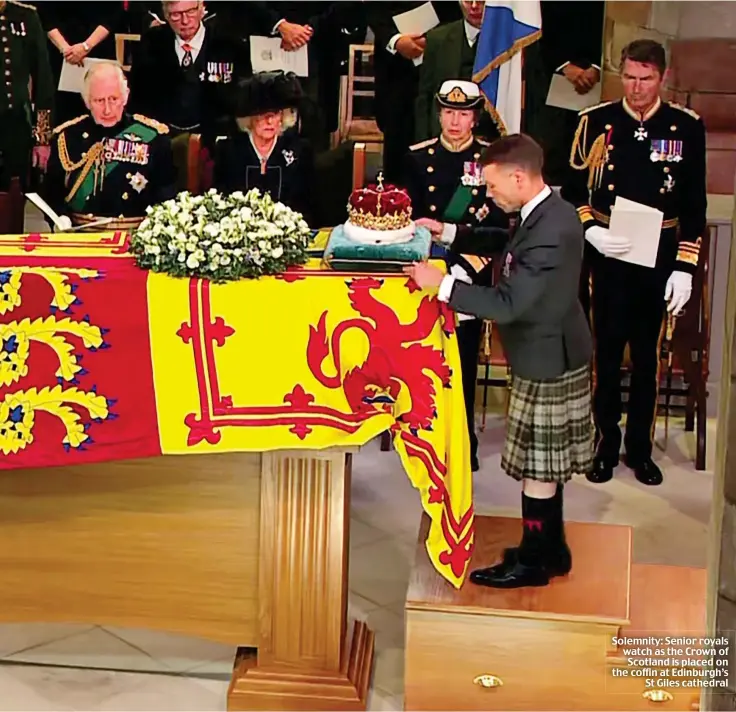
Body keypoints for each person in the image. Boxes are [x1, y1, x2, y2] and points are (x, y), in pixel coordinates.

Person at [405, 134, 593, 589]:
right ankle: (552, 549)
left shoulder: (550, 230)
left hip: (548, 357)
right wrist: (448, 232)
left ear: (518, 177)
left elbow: (509, 303)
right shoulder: (548, 212)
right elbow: (505, 243)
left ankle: (533, 560)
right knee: (544, 466)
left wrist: (443, 286)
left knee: (538, 468)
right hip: (549, 348)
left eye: (492, 187)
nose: (488, 195)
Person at [562, 39, 707, 486]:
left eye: (645, 79)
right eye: (629, 77)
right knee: (606, 354)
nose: (636, 87)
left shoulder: (685, 127)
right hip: (609, 253)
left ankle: (639, 450)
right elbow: (571, 188)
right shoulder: (595, 122)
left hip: (659, 255)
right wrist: (591, 230)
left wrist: (684, 267)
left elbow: (694, 203)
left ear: (662, 78)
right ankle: (604, 444)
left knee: (647, 358)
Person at [403, 79, 508, 472]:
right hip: (423, 267)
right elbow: (406, 221)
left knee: (460, 362)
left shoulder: (490, 161)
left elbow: (499, 231)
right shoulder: (417, 157)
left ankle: (463, 439)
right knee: (420, 357)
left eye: (463, 114)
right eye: (448, 112)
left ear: (475, 117)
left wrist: (463, 269)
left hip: (469, 272)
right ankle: (420, 433)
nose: (454, 121)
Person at [127, 0, 251, 187]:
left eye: (191, 11)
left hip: (216, 143)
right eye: (176, 15)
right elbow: (137, 99)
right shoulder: (152, 42)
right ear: (166, 15)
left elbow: (243, 100)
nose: (185, 20)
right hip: (163, 142)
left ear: (202, 8)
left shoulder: (229, 43)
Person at [44, 61, 176, 232]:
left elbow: (166, 195)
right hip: (81, 236)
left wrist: (154, 226)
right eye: (99, 101)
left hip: (134, 237)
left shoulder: (153, 138)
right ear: (87, 101)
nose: (107, 110)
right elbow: (52, 191)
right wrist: (60, 217)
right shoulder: (68, 137)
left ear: (126, 96)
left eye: (113, 99)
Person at [367, 1, 462, 183]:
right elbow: (372, 8)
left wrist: (436, 38)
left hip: (443, 60)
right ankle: (396, 205)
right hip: (396, 72)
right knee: (398, 148)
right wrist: (396, 40)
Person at [213, 72, 315, 225]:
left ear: (282, 117)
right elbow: (221, 205)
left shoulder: (299, 152)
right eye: (262, 114)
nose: (269, 121)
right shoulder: (229, 151)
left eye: (274, 114)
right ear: (250, 119)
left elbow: (306, 208)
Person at [414, 0, 497, 143]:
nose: (474, 7)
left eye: (482, 2)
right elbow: (425, 97)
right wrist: (424, 143)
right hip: (443, 141)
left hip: (494, 142)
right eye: (468, 1)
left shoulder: (511, 44)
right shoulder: (437, 39)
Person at [0, 0, 54, 189]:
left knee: (13, 201)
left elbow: (43, 80)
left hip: (15, 127)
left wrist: (42, 139)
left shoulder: (26, 16)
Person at [38, 2, 120, 126]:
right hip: (60, 54)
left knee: (100, 101)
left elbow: (112, 16)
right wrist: (66, 49)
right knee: (62, 109)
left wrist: (86, 46)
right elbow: (46, 16)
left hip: (99, 50)